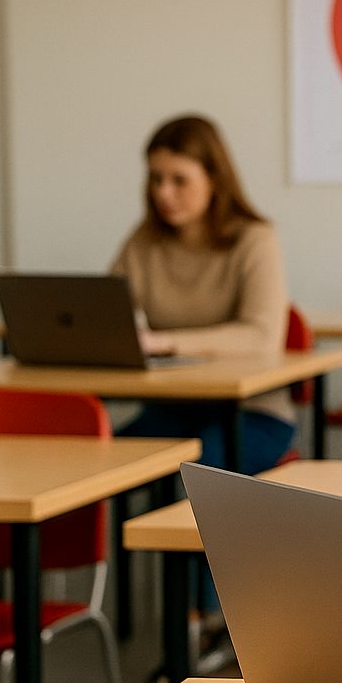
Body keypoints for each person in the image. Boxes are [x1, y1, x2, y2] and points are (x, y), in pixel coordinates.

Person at [111, 114, 295, 474]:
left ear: (214, 179)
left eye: (179, 180)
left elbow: (261, 337)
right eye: (156, 178)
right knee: (100, 463)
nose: (164, 192)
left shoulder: (255, 240)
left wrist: (165, 343)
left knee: (204, 466)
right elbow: (106, 314)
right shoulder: (143, 242)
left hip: (252, 414)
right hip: (172, 408)